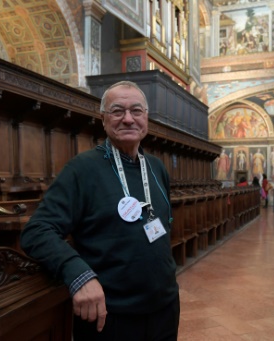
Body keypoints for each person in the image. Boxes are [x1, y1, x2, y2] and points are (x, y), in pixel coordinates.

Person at [20, 81, 180, 341]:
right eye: (118, 111)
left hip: (165, 308)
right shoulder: (82, 169)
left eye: (136, 111)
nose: (128, 119)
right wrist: (79, 275)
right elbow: (37, 231)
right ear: (103, 119)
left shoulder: (155, 167)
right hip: (111, 315)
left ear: (146, 118)